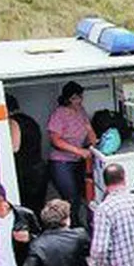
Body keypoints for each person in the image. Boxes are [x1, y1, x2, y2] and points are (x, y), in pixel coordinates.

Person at [47, 81, 97, 229]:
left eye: (80, 97)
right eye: (75, 98)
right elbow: (55, 140)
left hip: (78, 161)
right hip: (61, 162)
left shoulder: (81, 110)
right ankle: (73, 228)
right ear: (68, 98)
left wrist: (90, 132)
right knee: (71, 198)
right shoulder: (59, 114)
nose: (79, 101)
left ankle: (82, 226)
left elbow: (90, 135)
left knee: (83, 196)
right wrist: (78, 151)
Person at [7, 94, 47, 214]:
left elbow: (14, 148)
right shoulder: (30, 120)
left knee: (27, 209)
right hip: (39, 169)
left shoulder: (13, 122)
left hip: (27, 174)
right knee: (38, 207)